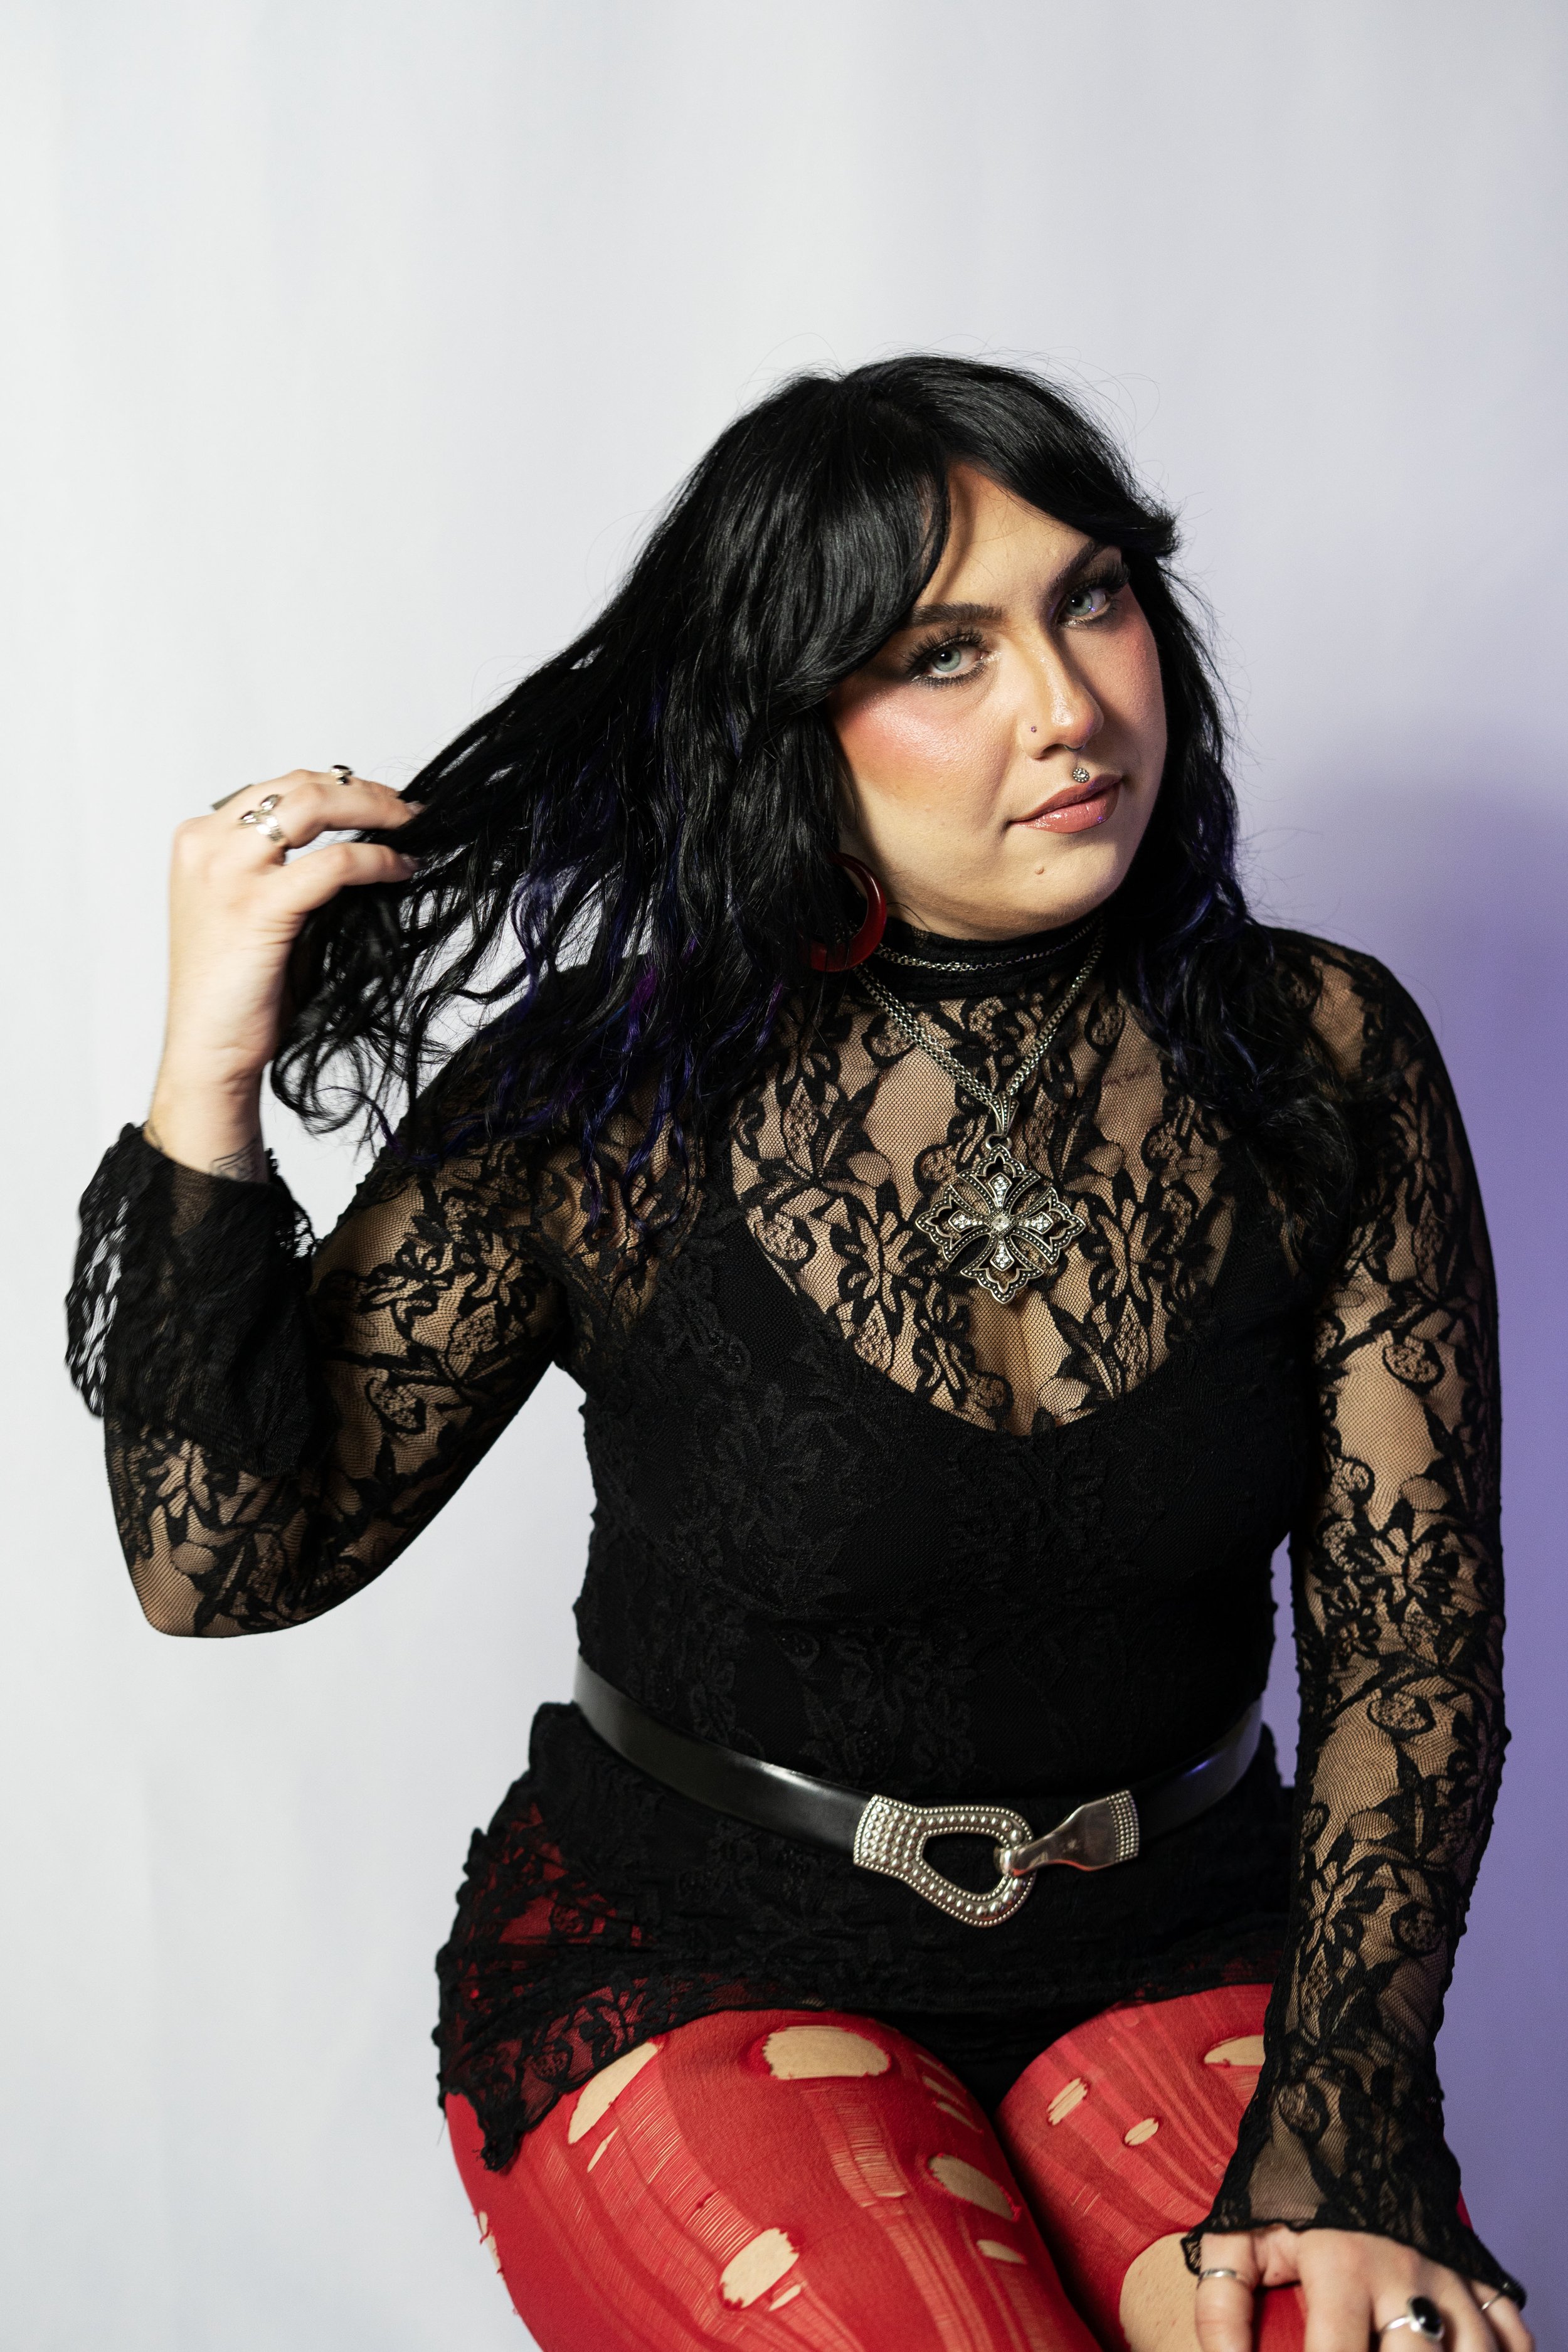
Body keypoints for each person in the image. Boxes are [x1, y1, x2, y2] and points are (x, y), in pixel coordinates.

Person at [67, 356, 1528, 2352]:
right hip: (698, 1953)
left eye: (1092, 600)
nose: (1068, 708)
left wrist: (1339, 2135)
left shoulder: (1322, 1059)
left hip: (1184, 1929)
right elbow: (218, 1566)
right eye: (946, 652)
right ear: (789, 724)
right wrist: (207, 1082)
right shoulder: (602, 1106)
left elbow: (1408, 1655)